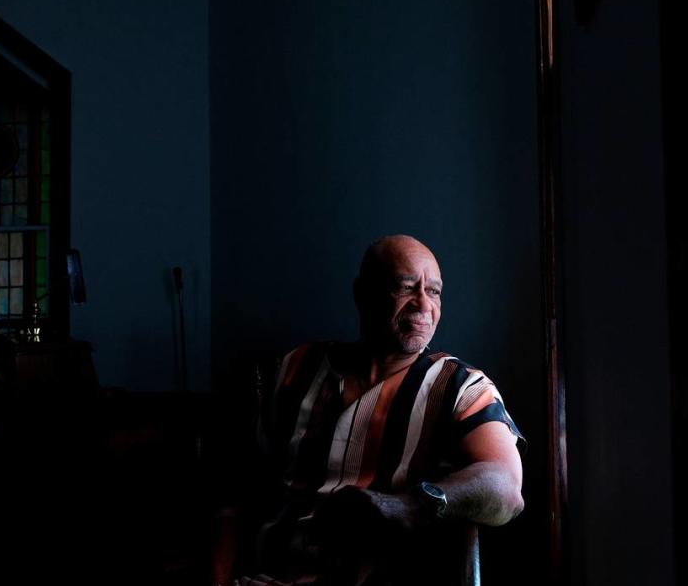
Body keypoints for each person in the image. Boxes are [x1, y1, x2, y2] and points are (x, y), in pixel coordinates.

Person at [219, 235, 525, 586]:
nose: (423, 304)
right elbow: (235, 495)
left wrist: (411, 506)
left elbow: (507, 490)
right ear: (363, 294)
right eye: (405, 287)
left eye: (434, 291)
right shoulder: (297, 368)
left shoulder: (461, 386)